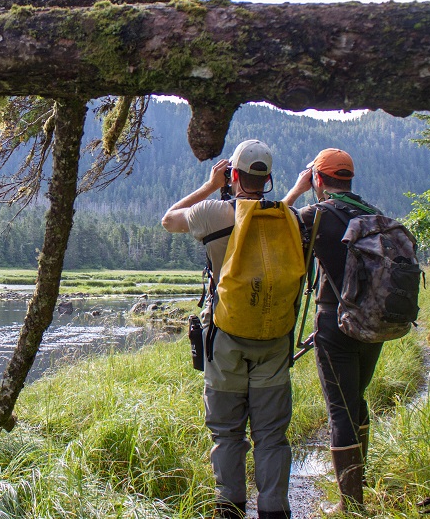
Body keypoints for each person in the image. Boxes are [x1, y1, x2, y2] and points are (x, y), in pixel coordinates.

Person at [162, 139, 293, 519]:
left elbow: (169, 218)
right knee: (271, 435)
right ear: (267, 179)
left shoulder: (214, 212)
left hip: (226, 340)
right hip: (274, 339)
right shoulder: (290, 217)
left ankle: (230, 510)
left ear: (232, 175)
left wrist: (208, 184)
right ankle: (274, 510)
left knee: (227, 433)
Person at [282, 148, 382, 515]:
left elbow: (271, 224)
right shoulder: (374, 214)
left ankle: (351, 506)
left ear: (319, 180)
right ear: (349, 178)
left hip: (334, 322)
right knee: (355, 400)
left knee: (340, 410)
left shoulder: (316, 215)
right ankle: (357, 489)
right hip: (372, 324)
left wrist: (296, 190)